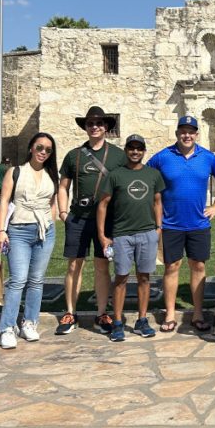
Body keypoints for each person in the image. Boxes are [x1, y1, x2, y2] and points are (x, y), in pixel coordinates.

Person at [147, 115, 215, 333]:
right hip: (171, 223)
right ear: (177, 133)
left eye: (191, 131)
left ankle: (197, 313)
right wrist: (155, 213)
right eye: (183, 131)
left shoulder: (207, 157)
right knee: (172, 267)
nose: (187, 135)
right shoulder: (162, 157)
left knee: (198, 266)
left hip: (199, 223)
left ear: (197, 134)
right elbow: (145, 178)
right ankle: (170, 314)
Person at [57, 106, 126, 336]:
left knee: (102, 265)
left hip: (106, 221)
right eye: (90, 124)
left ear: (106, 127)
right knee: (74, 265)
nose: (94, 127)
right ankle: (70, 312)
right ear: (85, 128)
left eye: (99, 123)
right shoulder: (73, 155)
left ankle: (101, 312)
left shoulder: (118, 155)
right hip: (78, 217)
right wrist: (64, 212)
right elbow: (64, 186)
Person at [96, 134, 165, 342]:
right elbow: (103, 205)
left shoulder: (153, 174)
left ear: (144, 151)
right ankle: (117, 321)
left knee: (145, 277)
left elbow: (157, 201)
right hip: (122, 234)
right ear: (126, 150)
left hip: (147, 232)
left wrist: (158, 228)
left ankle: (142, 319)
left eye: (139, 148)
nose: (135, 152)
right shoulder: (116, 175)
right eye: (131, 148)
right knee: (121, 278)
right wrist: (102, 235)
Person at [0, 132, 59, 349]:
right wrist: (2, 230)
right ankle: (6, 327)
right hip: (19, 230)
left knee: (36, 280)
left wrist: (53, 219)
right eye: (39, 147)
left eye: (48, 150)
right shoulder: (16, 171)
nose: (43, 152)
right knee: (18, 280)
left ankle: (30, 322)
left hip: (44, 231)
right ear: (31, 147)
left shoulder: (51, 174)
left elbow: (52, 201)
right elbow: (3, 201)